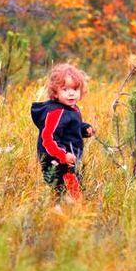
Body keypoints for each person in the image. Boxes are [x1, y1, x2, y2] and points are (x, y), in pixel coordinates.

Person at [31, 63, 95, 202]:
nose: (71, 93)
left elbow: (71, 127)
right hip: (56, 162)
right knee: (72, 194)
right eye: (65, 89)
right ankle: (71, 216)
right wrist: (62, 155)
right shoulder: (56, 112)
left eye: (75, 89)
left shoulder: (71, 108)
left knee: (68, 190)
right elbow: (48, 138)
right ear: (55, 92)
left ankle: (62, 211)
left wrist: (85, 129)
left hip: (68, 160)